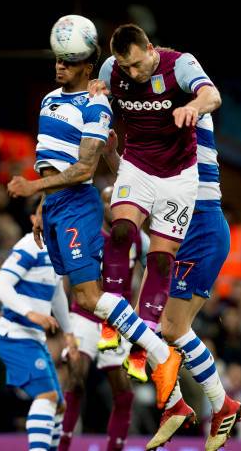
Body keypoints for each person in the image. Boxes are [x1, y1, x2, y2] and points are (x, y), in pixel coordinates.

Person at [6, 16, 182, 410]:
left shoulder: (96, 104)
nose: (60, 66)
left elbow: (85, 168)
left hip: (78, 205)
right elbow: (51, 161)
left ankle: (157, 351)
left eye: (70, 60)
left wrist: (33, 187)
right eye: (58, 59)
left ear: (88, 64)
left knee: (87, 296)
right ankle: (152, 348)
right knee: (82, 298)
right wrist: (40, 205)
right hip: (53, 208)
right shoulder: (50, 99)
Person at [89, 24, 222, 389]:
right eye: (124, 67)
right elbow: (100, 107)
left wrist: (193, 106)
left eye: (136, 64)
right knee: (120, 231)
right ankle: (111, 316)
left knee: (161, 260)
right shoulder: (111, 71)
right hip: (137, 164)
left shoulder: (178, 65)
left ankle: (141, 346)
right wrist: (97, 98)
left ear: (149, 48)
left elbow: (213, 96)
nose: (131, 73)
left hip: (180, 173)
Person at [144, 110, 241, 450]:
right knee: (160, 324)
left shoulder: (187, 106)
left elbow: (210, 96)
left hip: (199, 225)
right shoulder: (164, 114)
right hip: (184, 227)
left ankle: (216, 404)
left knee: (169, 328)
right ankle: (188, 405)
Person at [59, 186, 149, 451]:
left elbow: (156, 271)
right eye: (107, 201)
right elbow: (68, 276)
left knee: (123, 391)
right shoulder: (87, 234)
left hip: (117, 320)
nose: (112, 207)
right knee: (76, 375)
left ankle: (116, 445)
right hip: (85, 314)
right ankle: (62, 442)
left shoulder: (139, 239)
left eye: (116, 202)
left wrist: (141, 309)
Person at [0, 209, 75, 451]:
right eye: (44, 214)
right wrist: (30, 313)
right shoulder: (28, 246)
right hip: (16, 335)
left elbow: (57, 292)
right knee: (47, 397)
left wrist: (68, 333)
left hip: (33, 338)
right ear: (33, 219)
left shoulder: (57, 250)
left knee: (59, 405)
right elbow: (0, 286)